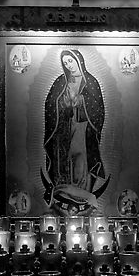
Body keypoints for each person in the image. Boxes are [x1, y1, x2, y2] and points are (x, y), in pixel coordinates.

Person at [43, 49, 106, 202]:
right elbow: (50, 103)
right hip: (63, 128)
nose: (69, 65)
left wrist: (82, 100)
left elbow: (98, 108)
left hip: (83, 128)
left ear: (79, 60)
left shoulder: (91, 82)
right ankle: (65, 194)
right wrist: (61, 104)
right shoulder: (60, 82)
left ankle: (81, 196)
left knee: (81, 161)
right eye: (65, 63)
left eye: (70, 61)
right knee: (64, 159)